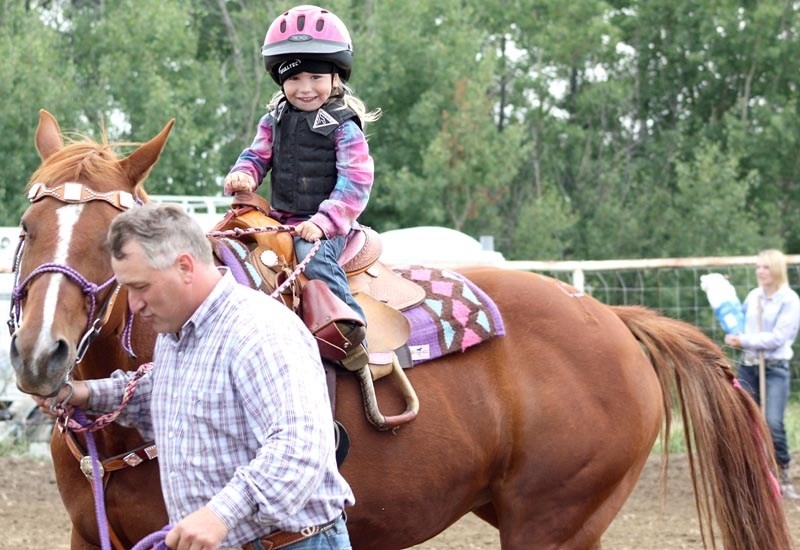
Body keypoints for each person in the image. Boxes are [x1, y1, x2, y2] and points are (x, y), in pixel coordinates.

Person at [35, 204, 354, 550]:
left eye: (141, 287)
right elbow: (167, 395)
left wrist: (220, 514)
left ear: (185, 266)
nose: (135, 304)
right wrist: (82, 394)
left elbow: (299, 449)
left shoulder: (261, 331)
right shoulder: (177, 334)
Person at [223, 5, 380, 349]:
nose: (305, 88)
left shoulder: (343, 127)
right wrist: (244, 175)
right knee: (227, 244)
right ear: (281, 80)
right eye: (294, 78)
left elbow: (355, 183)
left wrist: (324, 221)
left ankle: (350, 331)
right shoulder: (273, 120)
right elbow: (256, 156)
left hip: (326, 226)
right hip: (280, 219)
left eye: (315, 77)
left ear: (335, 78)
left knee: (315, 257)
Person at [725, 249, 800, 500]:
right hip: (749, 365)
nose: (760, 271)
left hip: (774, 368)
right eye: (758, 266)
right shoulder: (753, 297)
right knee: (743, 419)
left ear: (776, 270)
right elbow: (739, 320)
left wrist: (743, 339)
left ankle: (783, 471)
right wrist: (732, 332)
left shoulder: (789, 300)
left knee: (773, 421)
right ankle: (750, 474)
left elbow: (779, 338)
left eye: (766, 267)